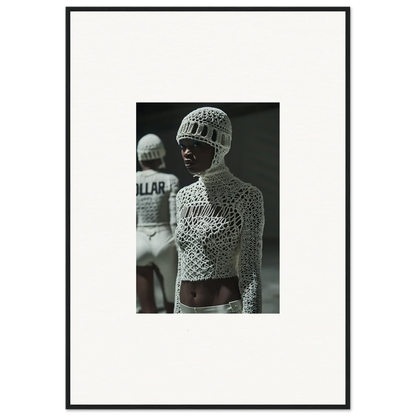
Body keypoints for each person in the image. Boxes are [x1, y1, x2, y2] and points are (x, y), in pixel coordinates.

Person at [173, 107, 265, 313]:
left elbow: (250, 270)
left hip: (223, 308)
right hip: (185, 307)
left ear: (219, 146)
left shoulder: (246, 196)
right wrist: (177, 311)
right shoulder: (183, 197)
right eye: (183, 145)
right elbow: (182, 265)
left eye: (197, 144)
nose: (187, 152)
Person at [136, 133, 179, 313]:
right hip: (165, 240)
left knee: (147, 310)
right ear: (160, 154)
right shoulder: (170, 180)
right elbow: (174, 219)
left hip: (139, 241)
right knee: (172, 303)